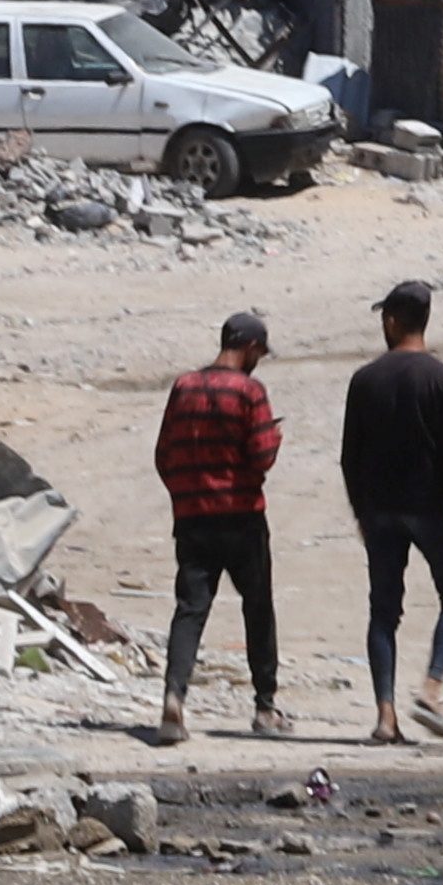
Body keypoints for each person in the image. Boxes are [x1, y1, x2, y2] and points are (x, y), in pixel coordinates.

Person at [337, 278, 443, 746]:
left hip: (379, 511)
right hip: (433, 509)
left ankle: (385, 716)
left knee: (383, 612)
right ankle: (432, 690)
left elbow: (349, 456)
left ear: (392, 321)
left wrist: (361, 510)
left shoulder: (365, 379)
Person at [153, 304, 286, 744]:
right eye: (259, 353)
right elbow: (262, 456)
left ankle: (174, 697)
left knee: (190, 610)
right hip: (242, 516)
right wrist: (275, 438)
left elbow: (164, 454)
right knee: (258, 608)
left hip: (192, 518)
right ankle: (265, 707)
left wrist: (183, 494)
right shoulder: (250, 392)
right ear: (248, 347)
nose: (258, 360)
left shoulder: (184, 386)